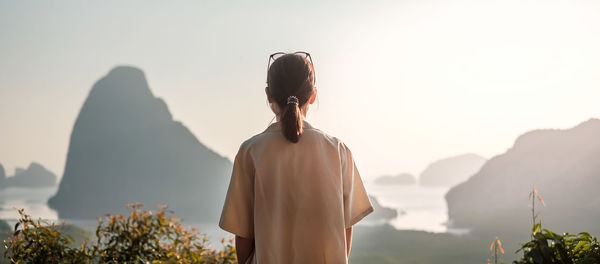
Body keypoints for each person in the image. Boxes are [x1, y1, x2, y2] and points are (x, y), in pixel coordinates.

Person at [219, 52, 373, 264]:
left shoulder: (251, 151)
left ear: (268, 94)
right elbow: (345, 230)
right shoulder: (337, 150)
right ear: (313, 95)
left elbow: (243, 236)